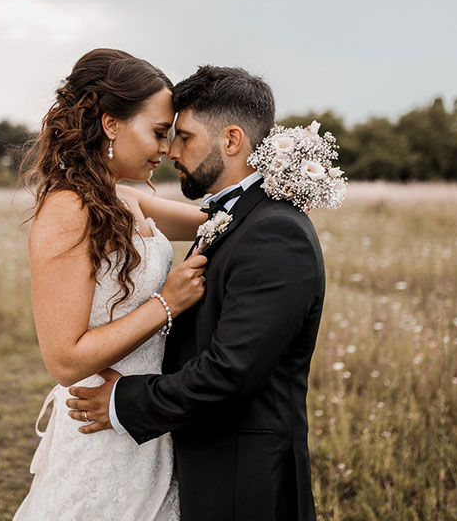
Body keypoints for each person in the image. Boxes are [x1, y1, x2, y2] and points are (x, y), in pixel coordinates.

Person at [66, 66, 326, 521]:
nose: (171, 152)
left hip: (245, 484)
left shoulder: (275, 233)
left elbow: (230, 371)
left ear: (231, 140)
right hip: (201, 462)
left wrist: (123, 400)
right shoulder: (235, 216)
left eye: (183, 137)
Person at [12, 48, 209, 521]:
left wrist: (287, 173)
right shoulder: (67, 210)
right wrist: (167, 303)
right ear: (111, 124)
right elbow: (63, 358)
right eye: (159, 133)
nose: (166, 149)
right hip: (99, 429)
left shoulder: (123, 198)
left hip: (141, 417)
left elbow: (217, 220)